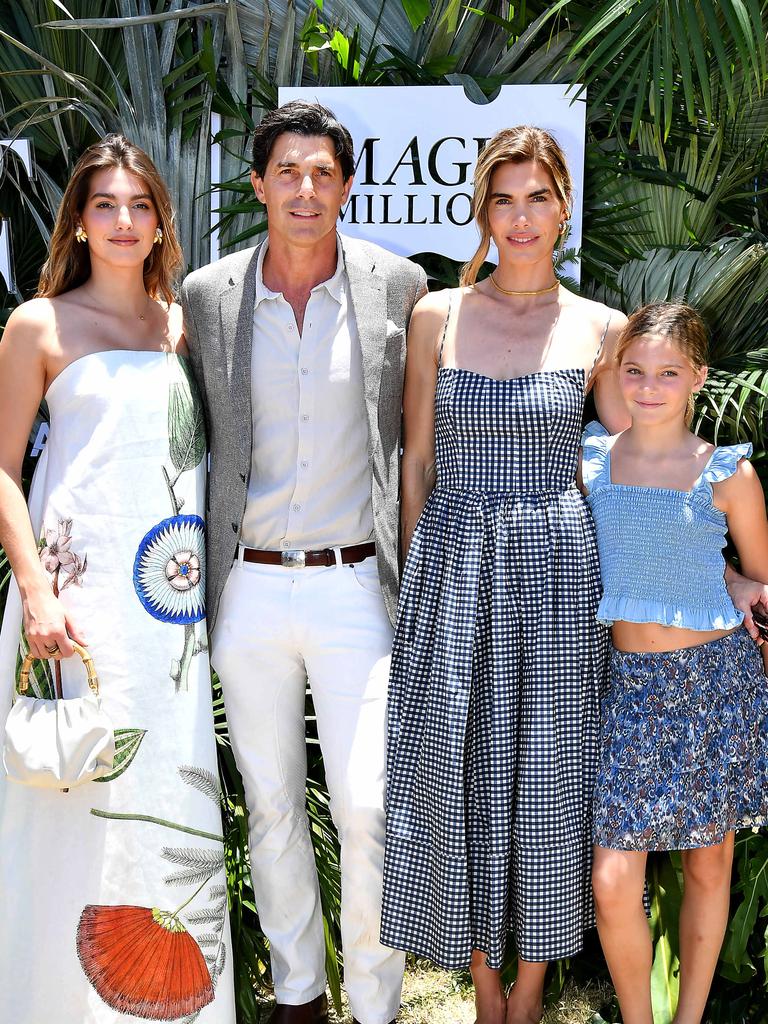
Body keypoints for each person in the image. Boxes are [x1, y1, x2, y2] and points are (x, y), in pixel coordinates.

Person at [180, 101, 426, 1024]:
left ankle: (377, 1005)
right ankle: (297, 996)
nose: (306, 189)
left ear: (347, 184)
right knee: (273, 801)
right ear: (258, 185)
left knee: (365, 805)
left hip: (357, 582)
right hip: (245, 585)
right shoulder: (209, 297)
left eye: (323, 172)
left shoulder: (395, 286)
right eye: (288, 172)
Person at [379, 125, 631, 1024]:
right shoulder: (436, 316)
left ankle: (529, 990)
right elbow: (416, 462)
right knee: (459, 769)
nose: (521, 218)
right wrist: (416, 584)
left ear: (565, 207)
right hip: (453, 563)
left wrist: (733, 564)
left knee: (550, 772)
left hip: (562, 571)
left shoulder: (602, 328)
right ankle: (484, 984)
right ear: (481, 210)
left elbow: (630, 467)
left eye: (537, 198)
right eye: (503, 199)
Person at [0, 136, 235, 1023]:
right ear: (79, 220)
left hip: (168, 620)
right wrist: (35, 593)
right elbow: (2, 470)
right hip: (76, 602)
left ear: (161, 220)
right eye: (106, 204)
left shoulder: (181, 327)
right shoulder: (38, 326)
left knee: (162, 792)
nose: (124, 221)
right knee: (71, 794)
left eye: (140, 205)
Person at [581, 302, 768, 1024]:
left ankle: (688, 1018)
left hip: (714, 688)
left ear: (698, 377)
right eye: (635, 370)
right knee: (611, 878)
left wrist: (742, 583)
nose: (649, 386)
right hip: (629, 691)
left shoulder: (728, 473)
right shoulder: (594, 460)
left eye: (667, 373)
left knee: (707, 864)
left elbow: (758, 582)